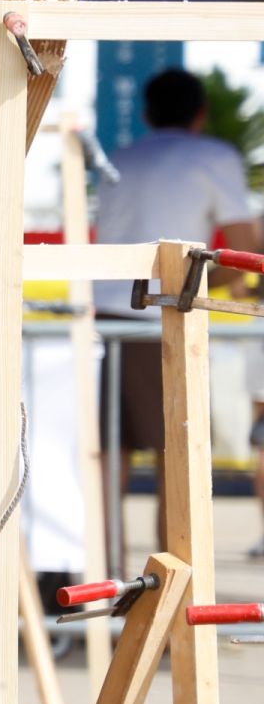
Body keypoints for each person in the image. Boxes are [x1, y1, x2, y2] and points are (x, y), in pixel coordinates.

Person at [95, 68, 260, 553]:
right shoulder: (215, 156)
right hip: (164, 319)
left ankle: (106, 573)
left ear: (147, 114)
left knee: (107, 453)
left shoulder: (120, 157)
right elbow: (246, 252)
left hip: (103, 319)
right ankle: (175, 580)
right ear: (201, 114)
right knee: (178, 454)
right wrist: (225, 284)